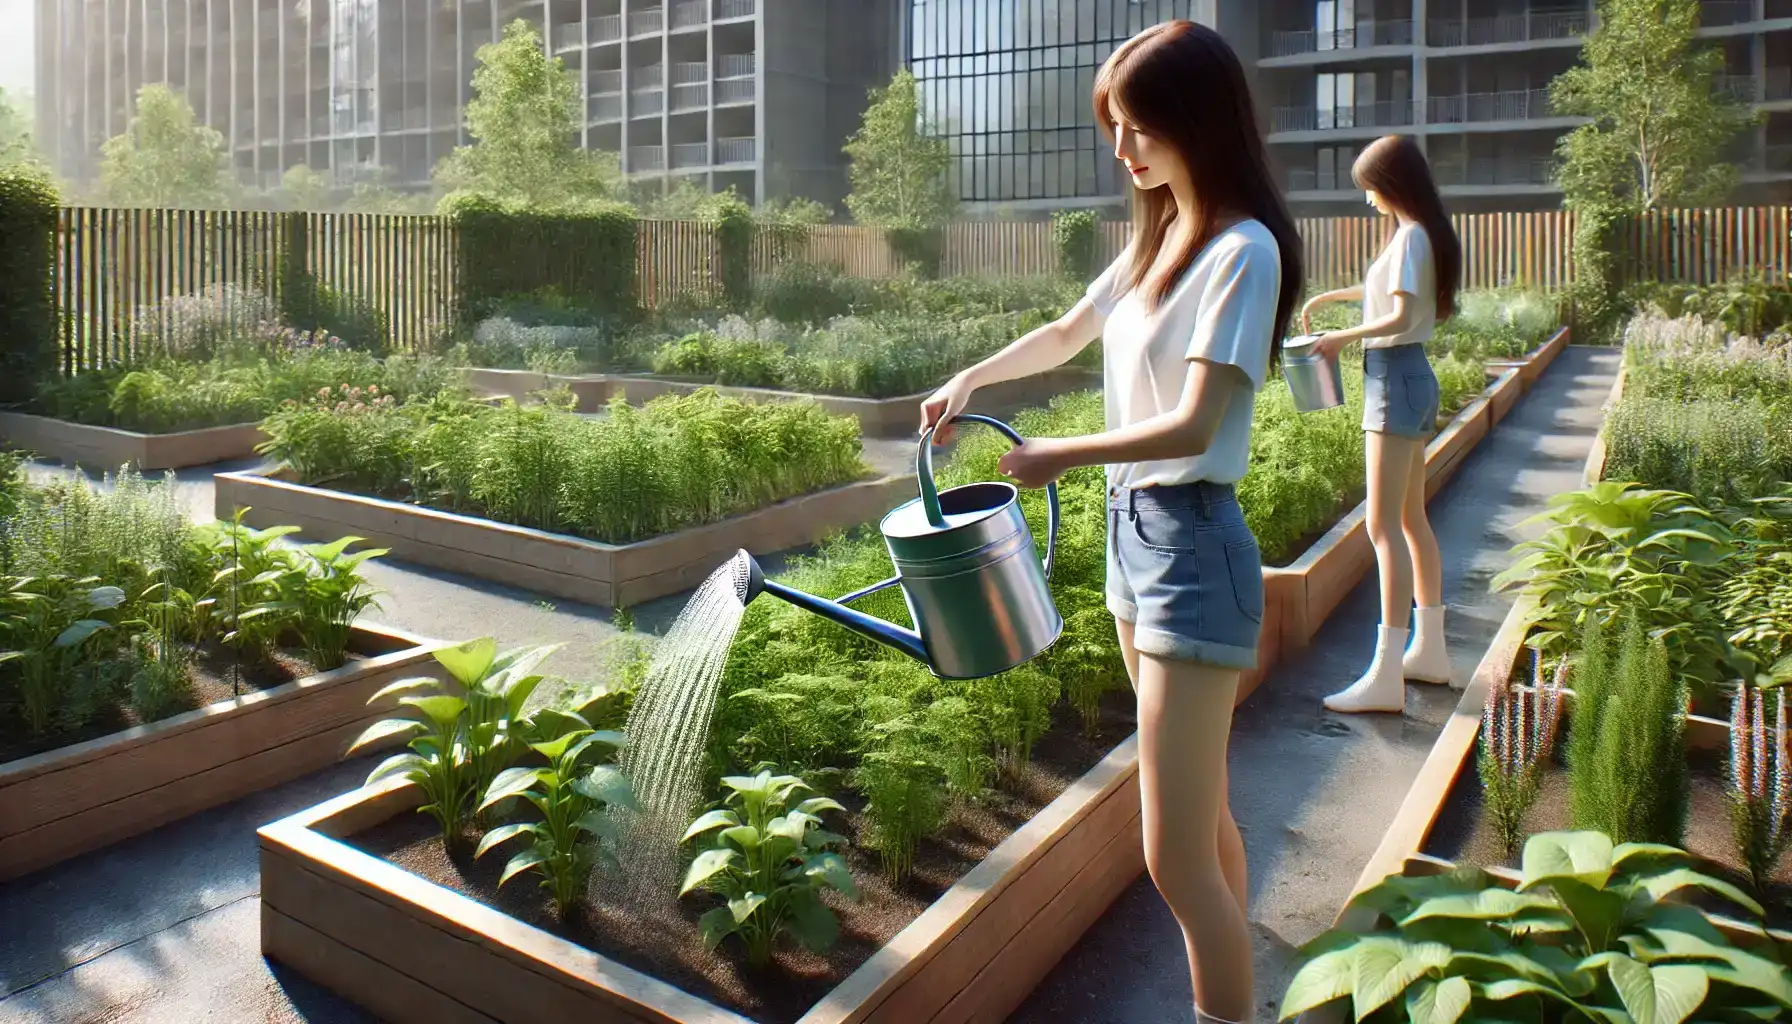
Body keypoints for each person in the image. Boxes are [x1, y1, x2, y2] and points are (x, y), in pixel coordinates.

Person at [918, 21, 1301, 1024]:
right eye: (1114, 127)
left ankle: (1225, 998)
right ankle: (1238, 964)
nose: (1121, 149)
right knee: (1200, 813)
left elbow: (1194, 422)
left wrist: (1059, 456)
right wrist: (970, 377)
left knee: (1171, 859)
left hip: (1192, 544)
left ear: (1195, 122)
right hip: (1137, 541)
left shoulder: (1242, 251)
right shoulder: (1161, 234)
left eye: (1137, 127)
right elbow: (1066, 330)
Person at [1301, 135, 1463, 714]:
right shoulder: (1414, 234)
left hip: (1393, 379)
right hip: (1406, 375)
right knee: (1411, 519)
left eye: (1369, 184)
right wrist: (1333, 300)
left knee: (1382, 526)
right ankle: (1430, 652)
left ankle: (1386, 673)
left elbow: (1396, 314)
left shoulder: (1413, 236)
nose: (1366, 196)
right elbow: (1388, 296)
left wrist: (1338, 338)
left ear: (1391, 182)